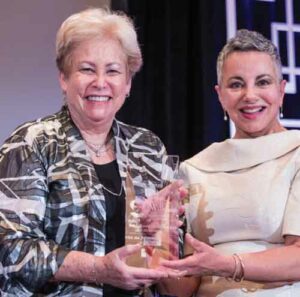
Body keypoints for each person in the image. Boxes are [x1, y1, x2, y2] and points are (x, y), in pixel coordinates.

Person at [0, 8, 185, 297]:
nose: (100, 82)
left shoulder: (148, 148)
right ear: (64, 78)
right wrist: (99, 268)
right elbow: (11, 248)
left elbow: (168, 261)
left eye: (112, 71)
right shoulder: (31, 144)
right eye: (87, 69)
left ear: (128, 83)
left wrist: (159, 235)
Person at [160, 29, 300, 296]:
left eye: (262, 82)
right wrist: (156, 240)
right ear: (220, 95)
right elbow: (181, 289)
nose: (249, 95)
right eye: (236, 84)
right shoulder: (193, 169)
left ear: (281, 91)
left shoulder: (297, 151)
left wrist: (227, 264)